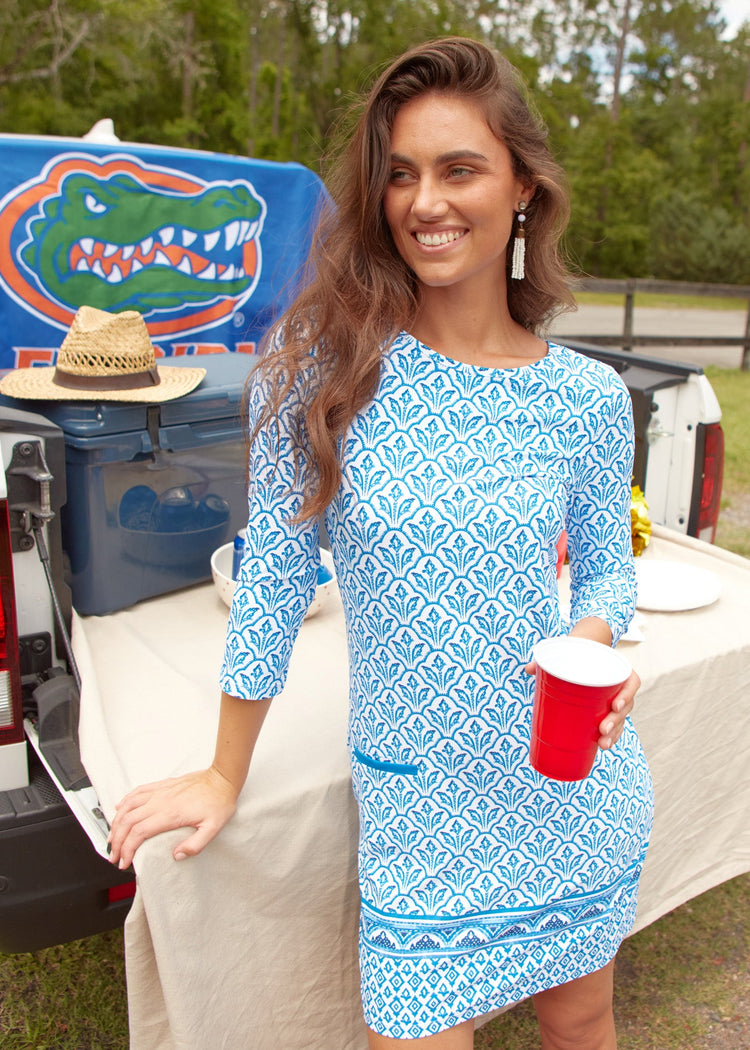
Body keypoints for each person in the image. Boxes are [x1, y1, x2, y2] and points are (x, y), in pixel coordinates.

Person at [108, 36, 653, 1050]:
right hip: (423, 816)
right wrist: (224, 773)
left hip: (571, 798)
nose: (424, 201)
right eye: (399, 174)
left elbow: (609, 569)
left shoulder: (584, 396)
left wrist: (594, 643)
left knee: (582, 1020)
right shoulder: (320, 375)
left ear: (524, 187)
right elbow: (271, 582)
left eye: (460, 169)